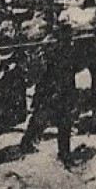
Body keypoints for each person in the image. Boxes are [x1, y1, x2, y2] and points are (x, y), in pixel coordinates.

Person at [21, 23, 78, 164]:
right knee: (41, 119)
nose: (70, 40)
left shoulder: (66, 51)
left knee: (63, 123)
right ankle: (26, 143)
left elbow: (70, 76)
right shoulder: (52, 51)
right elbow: (43, 74)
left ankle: (64, 154)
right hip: (49, 93)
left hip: (61, 93)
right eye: (68, 37)